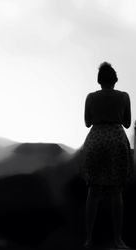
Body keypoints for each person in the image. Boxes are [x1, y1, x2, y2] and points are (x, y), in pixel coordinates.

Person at [81, 62, 133, 249]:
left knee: (93, 192)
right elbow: (127, 123)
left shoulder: (91, 97)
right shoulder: (124, 96)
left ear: (99, 80)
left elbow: (87, 122)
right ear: (115, 79)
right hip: (116, 140)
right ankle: (118, 239)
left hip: (96, 140)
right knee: (116, 192)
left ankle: (89, 239)